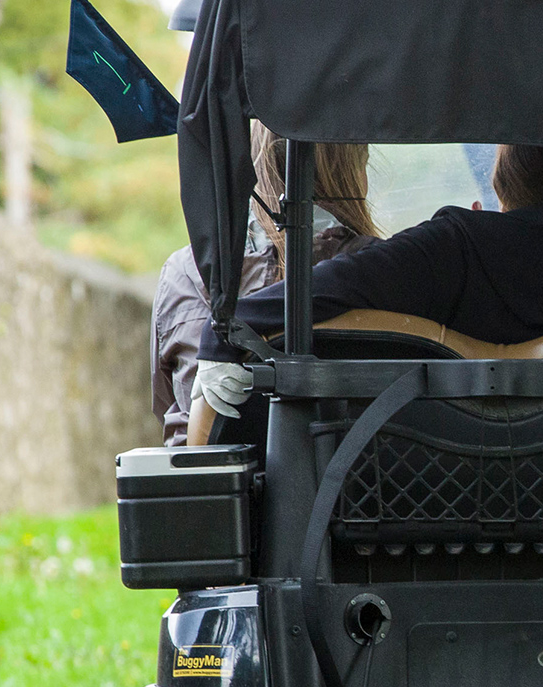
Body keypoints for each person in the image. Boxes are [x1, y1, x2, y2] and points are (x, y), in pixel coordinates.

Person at [192, 145, 543, 421]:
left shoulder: (458, 247)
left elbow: (343, 281)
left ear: (505, 186)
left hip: (432, 495)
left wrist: (227, 331)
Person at [149, 123, 380, 445]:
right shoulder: (377, 267)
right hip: (353, 476)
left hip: (211, 480)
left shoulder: (185, 270)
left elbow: (166, 404)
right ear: (351, 172)